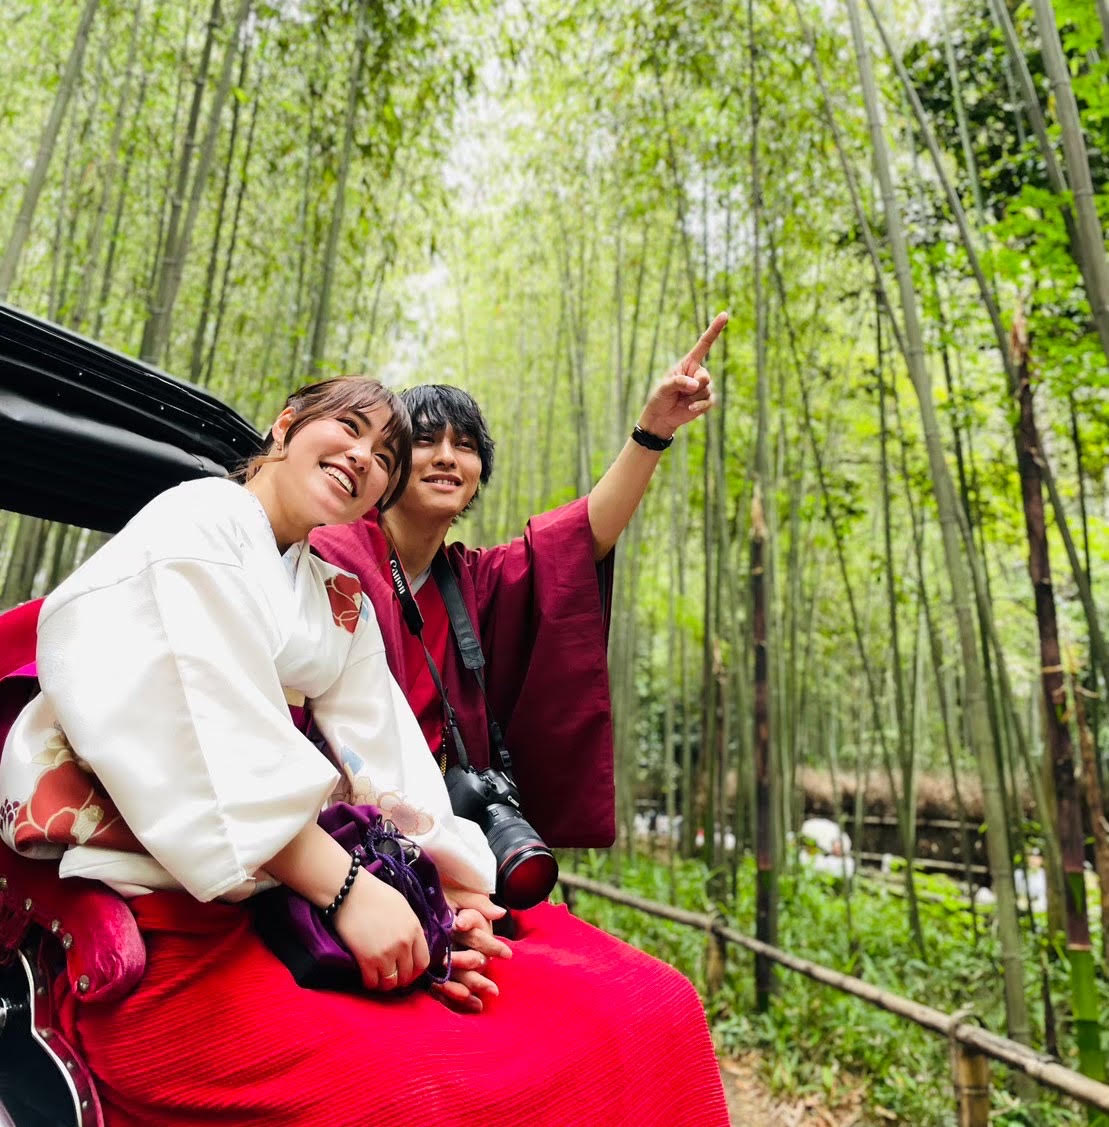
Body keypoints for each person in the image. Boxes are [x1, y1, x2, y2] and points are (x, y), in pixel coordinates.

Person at [0, 369, 729, 1126]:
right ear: (282, 426)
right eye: (350, 429)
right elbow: (200, 736)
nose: (365, 457)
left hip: (308, 865)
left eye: (384, 452)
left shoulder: (342, 590)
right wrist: (348, 888)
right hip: (177, 875)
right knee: (418, 1094)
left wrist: (449, 893)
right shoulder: (201, 520)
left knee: (648, 1004)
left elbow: (389, 756)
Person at [311, 314, 728, 1011]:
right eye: (425, 440)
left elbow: (580, 535)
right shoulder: (328, 551)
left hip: (438, 843)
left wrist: (652, 431)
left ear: (477, 480)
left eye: (465, 445)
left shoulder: (472, 582)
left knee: (642, 1000)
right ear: (384, 465)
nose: (447, 455)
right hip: (337, 838)